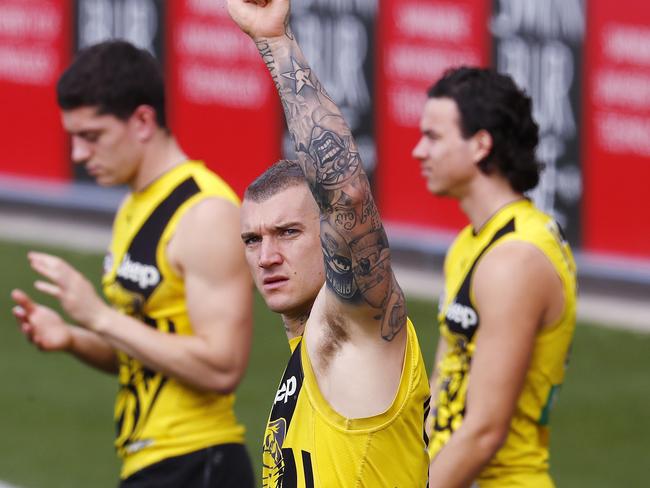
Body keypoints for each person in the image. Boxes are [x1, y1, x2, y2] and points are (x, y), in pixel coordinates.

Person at [10, 40, 255, 488]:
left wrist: (100, 316)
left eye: (92, 136)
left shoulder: (205, 212)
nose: (79, 155)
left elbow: (223, 366)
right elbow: (149, 349)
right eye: (73, 137)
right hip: (154, 465)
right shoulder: (133, 206)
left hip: (198, 462)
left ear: (143, 120)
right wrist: (75, 338)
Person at [228, 0, 430, 486]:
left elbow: (349, 195)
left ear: (330, 239)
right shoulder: (309, 350)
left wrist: (274, 41)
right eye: (252, 240)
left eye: (288, 232)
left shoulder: (353, 327)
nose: (267, 256)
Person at [413, 66, 577, 488]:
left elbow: (485, 432)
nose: (418, 151)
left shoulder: (515, 260)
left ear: (480, 144)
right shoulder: (471, 243)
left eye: (433, 137)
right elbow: (445, 383)